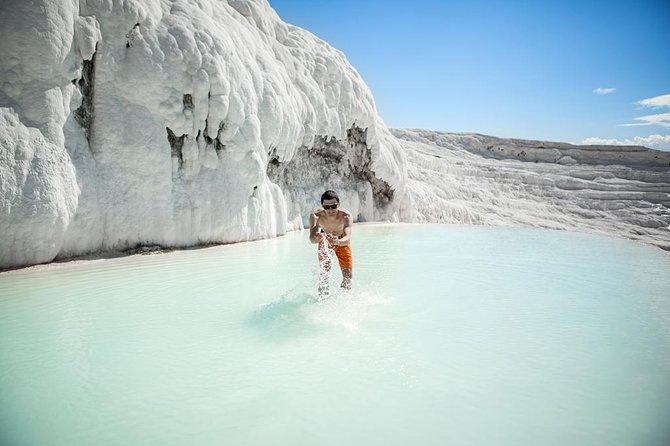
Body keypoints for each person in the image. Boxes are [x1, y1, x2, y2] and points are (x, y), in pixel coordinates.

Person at [309, 190, 353, 298]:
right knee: (324, 274)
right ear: (322, 205)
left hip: (341, 241)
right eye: (326, 207)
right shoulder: (316, 216)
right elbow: (311, 239)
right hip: (324, 241)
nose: (330, 210)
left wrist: (338, 241)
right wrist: (317, 238)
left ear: (338, 204)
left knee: (348, 277)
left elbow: (347, 238)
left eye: (333, 206)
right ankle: (322, 300)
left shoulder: (346, 216)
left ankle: (341, 299)